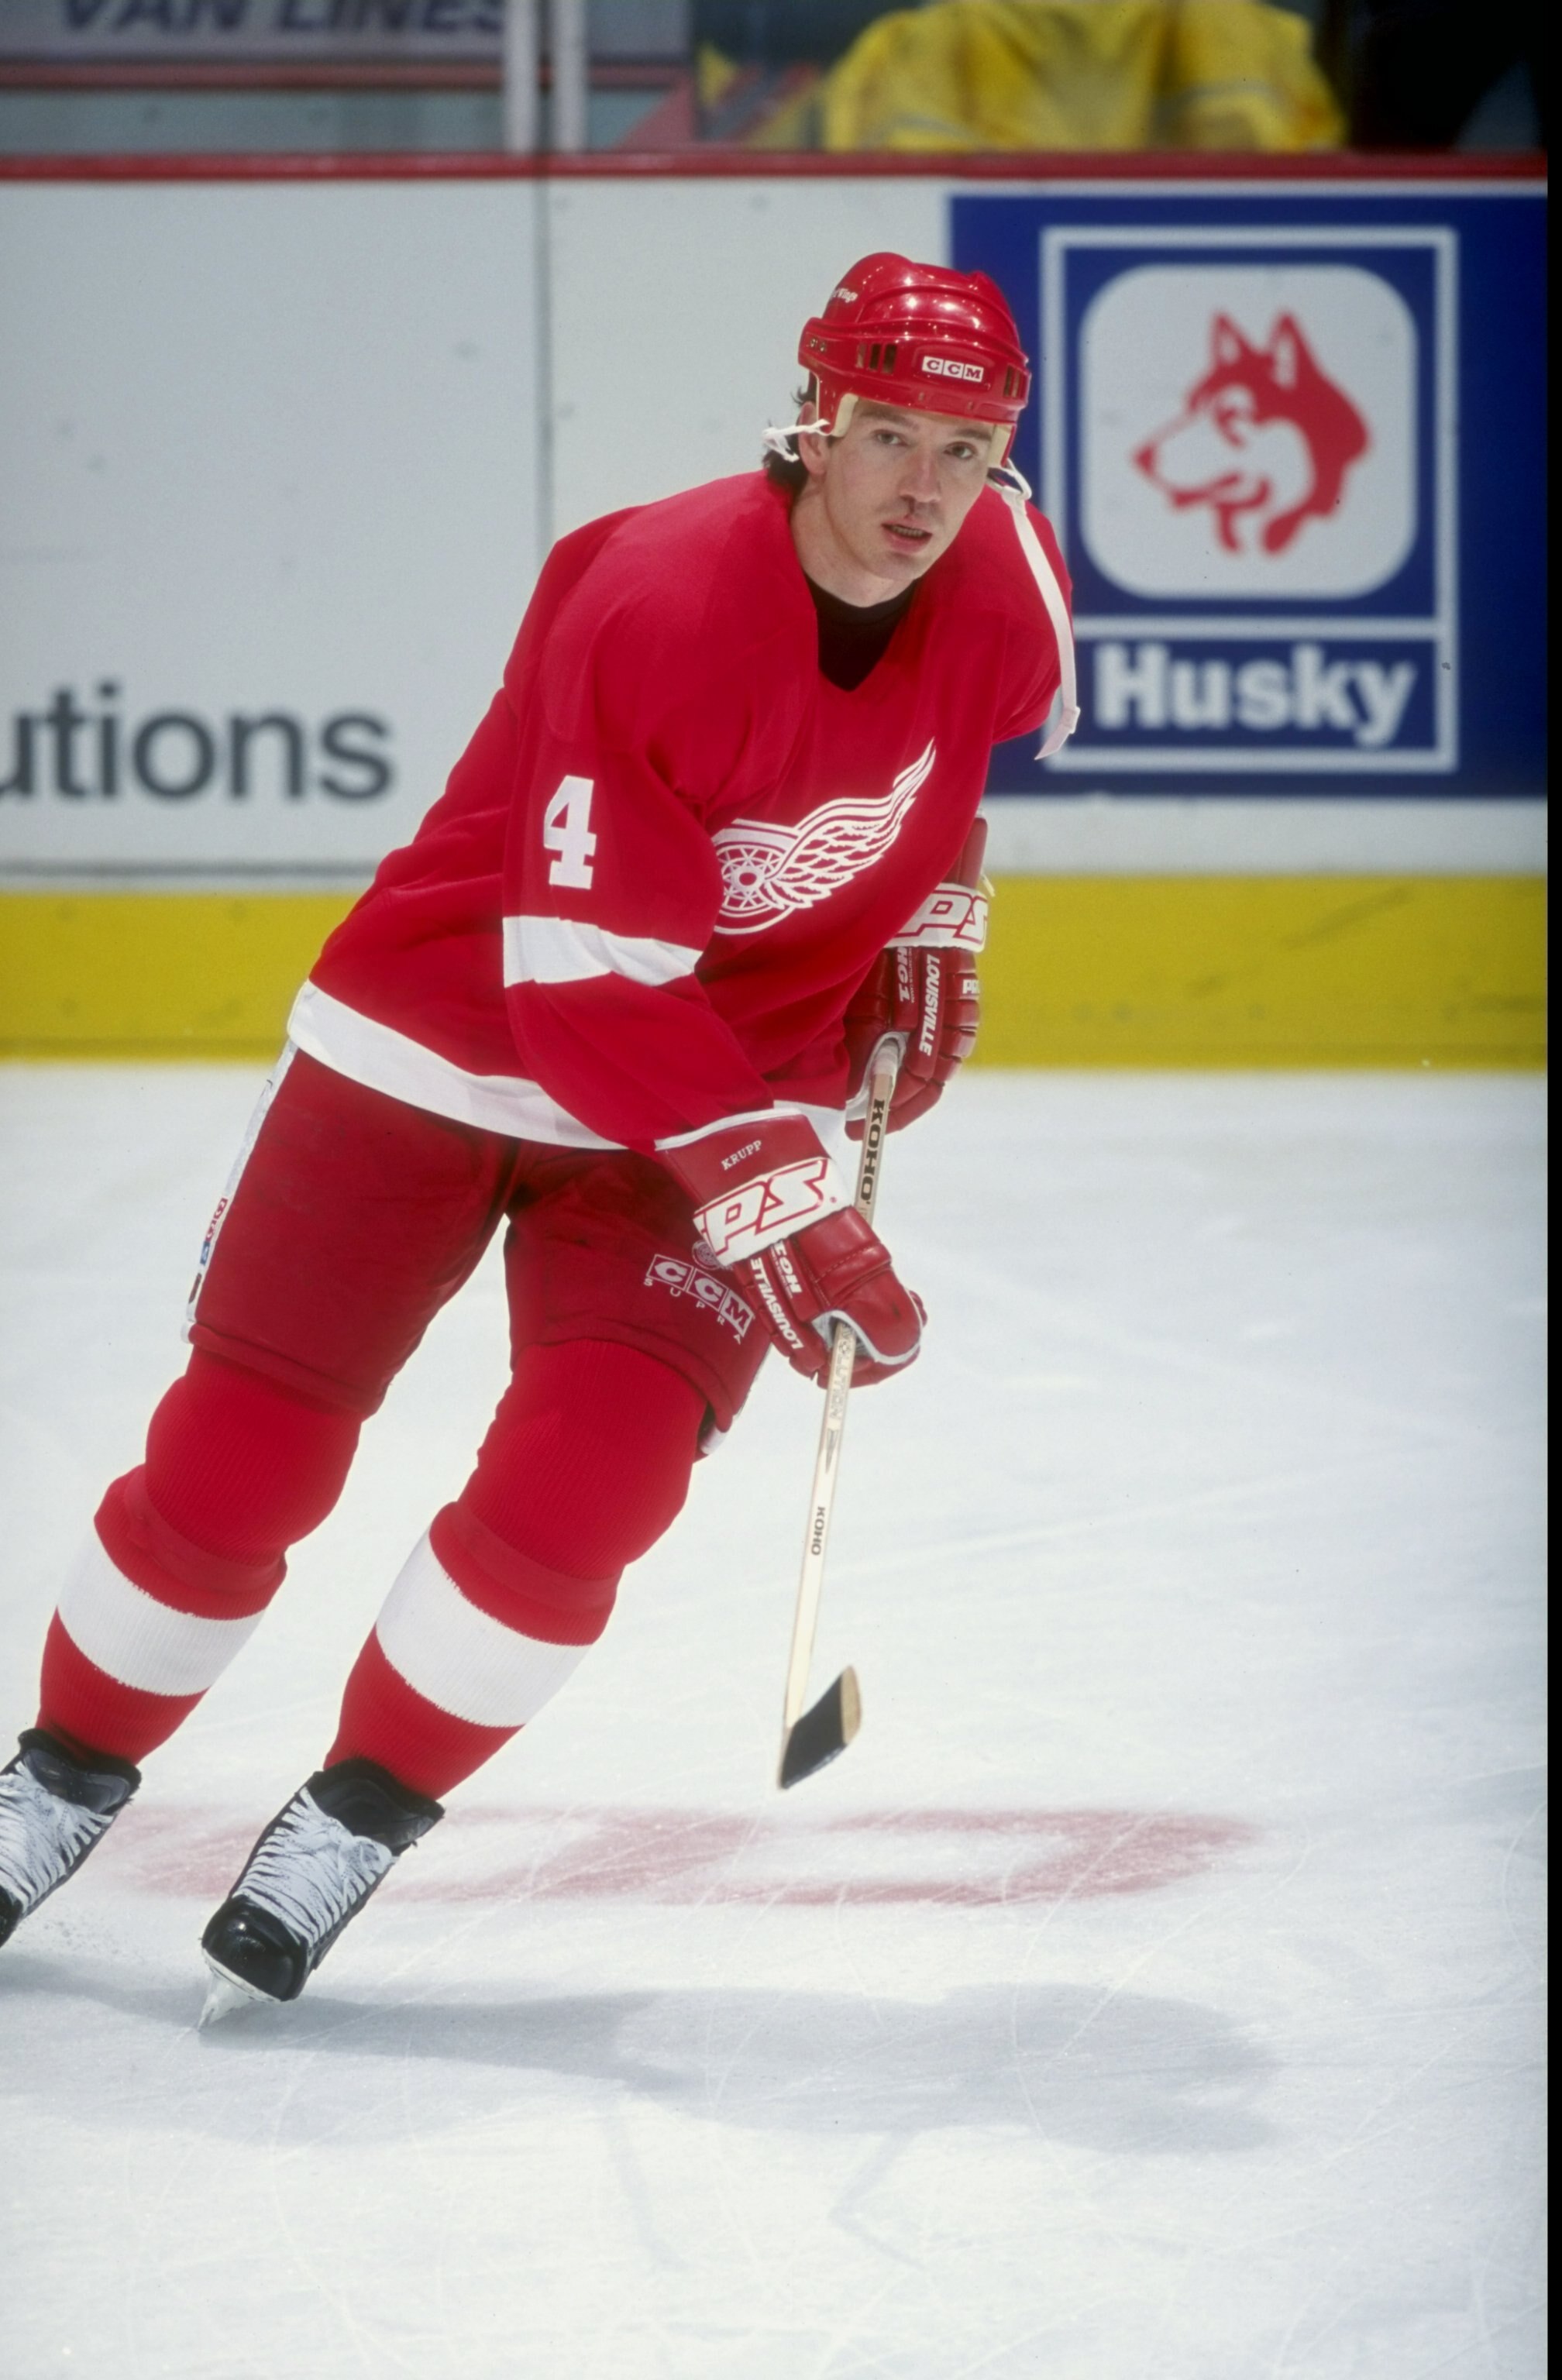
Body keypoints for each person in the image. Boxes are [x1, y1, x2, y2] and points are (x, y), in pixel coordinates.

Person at [0, 254, 1077, 2010]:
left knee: (589, 1495)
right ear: (814, 420)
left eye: (968, 451)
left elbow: (953, 761)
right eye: (890, 434)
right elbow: (582, 989)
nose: (925, 490)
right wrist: (783, 1197)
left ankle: (359, 1811)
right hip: (436, 1047)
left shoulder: (1011, 578)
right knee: (240, 1466)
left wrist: (936, 912)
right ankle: (56, 1781)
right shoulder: (659, 595)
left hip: (714, 1098)